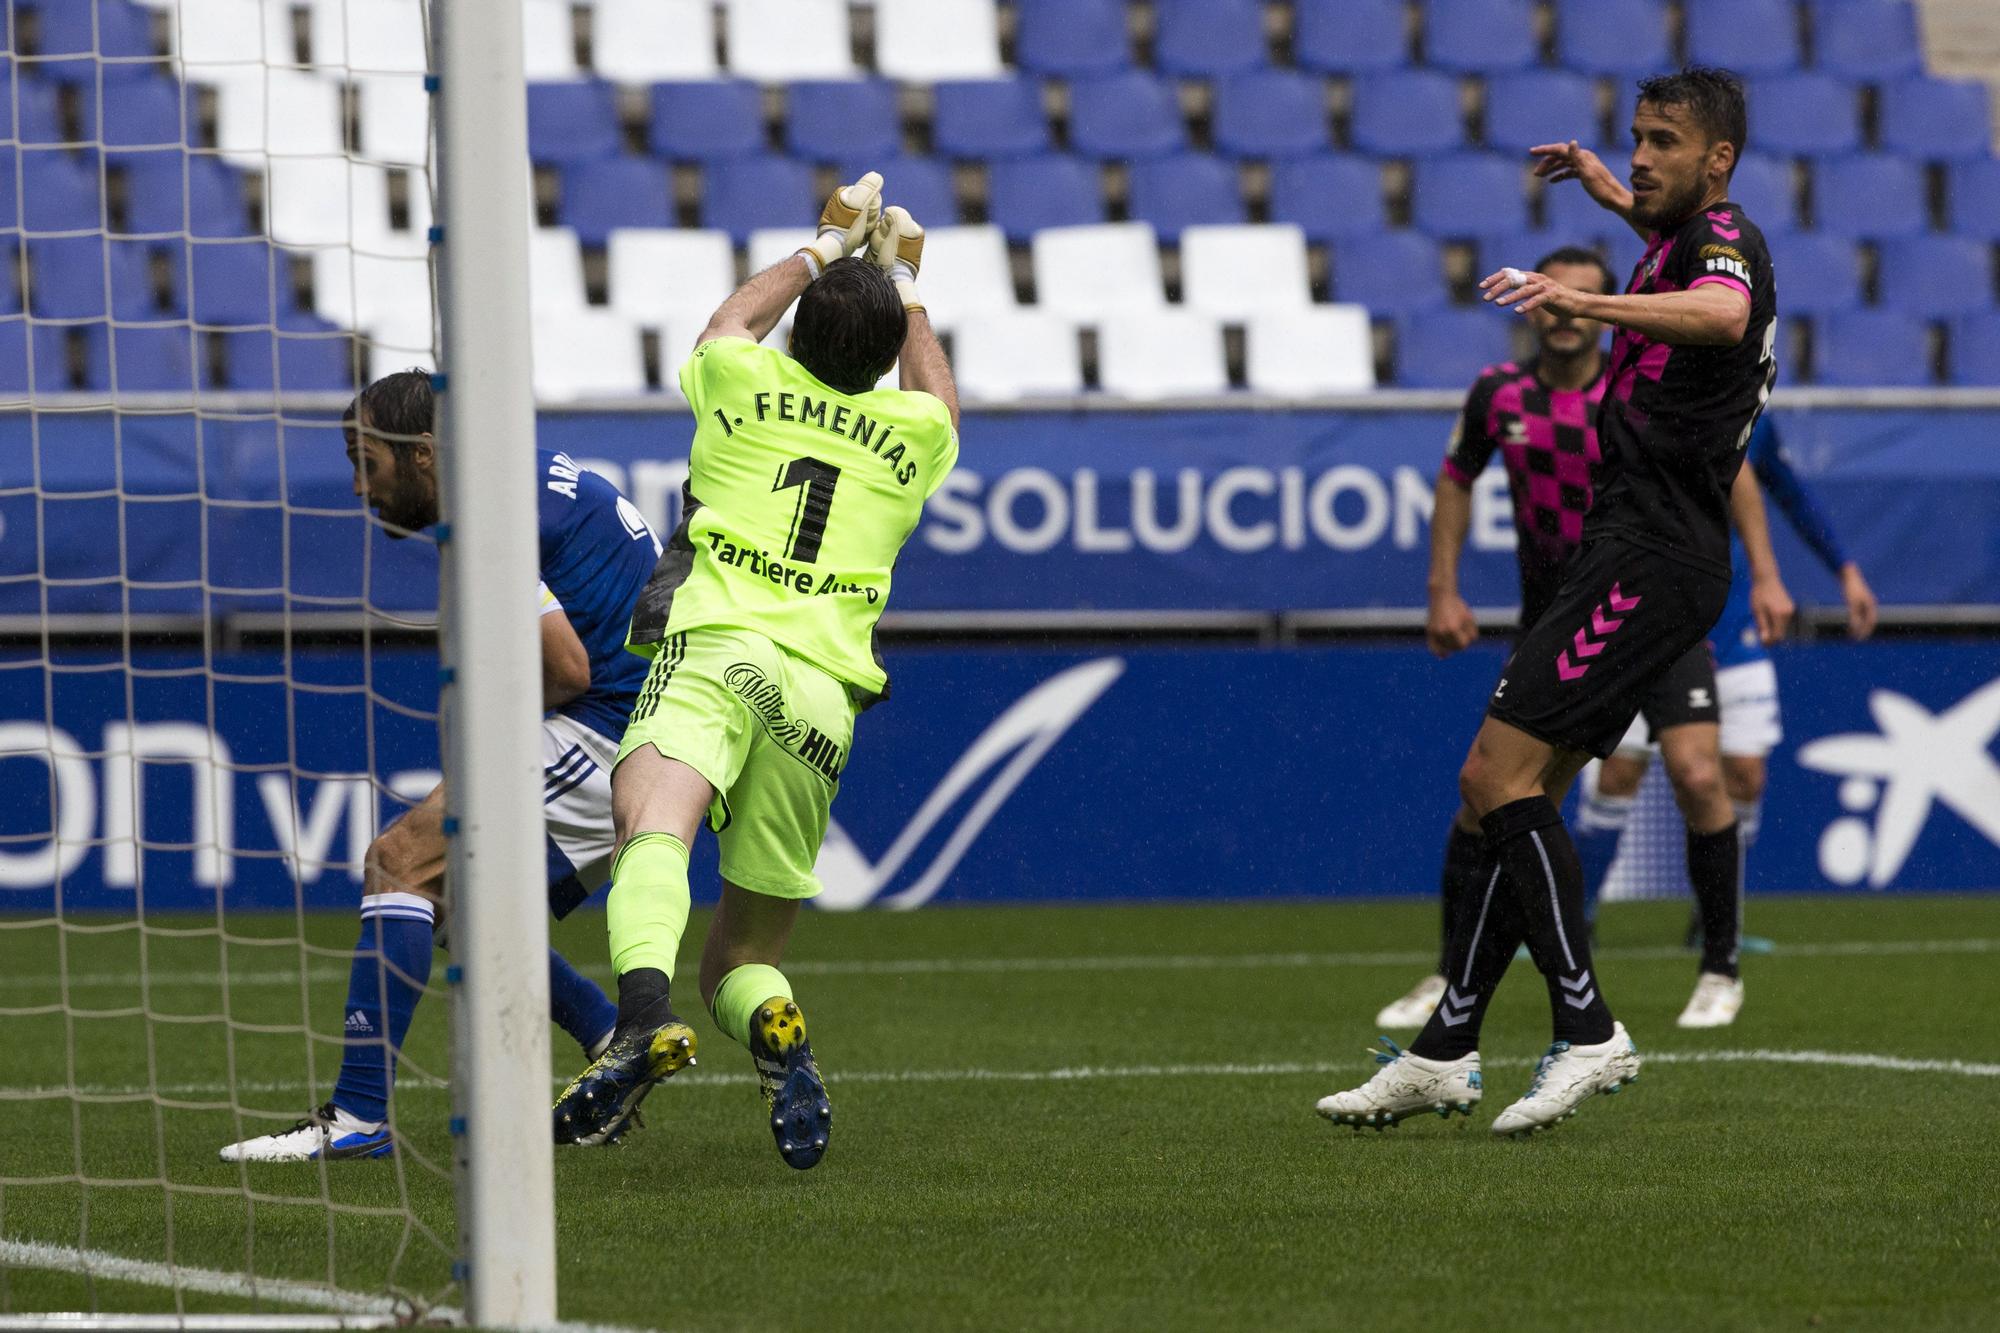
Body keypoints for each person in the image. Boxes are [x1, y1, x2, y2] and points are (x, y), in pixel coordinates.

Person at [1319, 67, 1784, 1137]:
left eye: (1662, 141)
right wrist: (1601, 195)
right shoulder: (1673, 230)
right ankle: (1445, 1048)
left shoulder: (1724, 242)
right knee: (1503, 795)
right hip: (1626, 550)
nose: (1639, 156)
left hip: (1651, 556)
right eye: (1632, 137)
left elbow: (1720, 311)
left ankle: (1587, 1028)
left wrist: (1581, 294)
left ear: (1716, 159)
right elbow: (1672, 245)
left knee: (1491, 774)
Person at [550, 174, 960, 1170]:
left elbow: (732, 316)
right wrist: (904, 283)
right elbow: (936, 393)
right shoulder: (913, 439)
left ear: (800, 336)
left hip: (717, 649)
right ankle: (780, 1037)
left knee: (650, 828)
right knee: (741, 958)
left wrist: (825, 244)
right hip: (821, 698)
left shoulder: (742, 380)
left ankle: (640, 1017)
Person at [221, 371, 660, 1162]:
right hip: (636, 722)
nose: (360, 487)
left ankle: (357, 1118)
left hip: (611, 733)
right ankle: (611, 1044)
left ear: (423, 455)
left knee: (399, 863)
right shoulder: (513, 476)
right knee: (452, 902)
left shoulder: (489, 511)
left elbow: (565, 668)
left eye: (368, 463)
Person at [1376, 247, 1794, 1036]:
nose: (1565, 311)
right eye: (1553, 298)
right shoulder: (1498, 394)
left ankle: (1719, 966)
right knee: (1492, 798)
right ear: (1530, 305)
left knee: (1701, 774)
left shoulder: (1640, 386)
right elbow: (1456, 476)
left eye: (1585, 299)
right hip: (1554, 620)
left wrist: (1766, 573)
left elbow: (1731, 469)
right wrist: (1442, 587)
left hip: (1652, 609)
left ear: (1607, 307)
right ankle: (1449, 973)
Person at [1573, 413, 1877, 1027]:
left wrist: (1843, 568)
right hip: (1644, 613)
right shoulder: (1633, 402)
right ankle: (1575, 915)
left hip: (1731, 624)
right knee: (1619, 772)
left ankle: (1717, 923)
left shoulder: (1749, 414)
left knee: (1742, 774)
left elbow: (1784, 489)